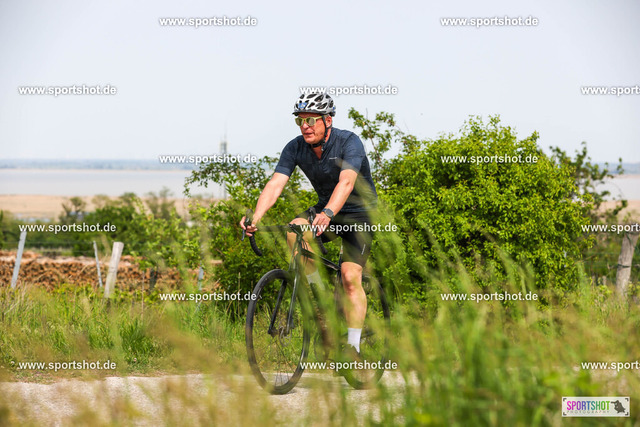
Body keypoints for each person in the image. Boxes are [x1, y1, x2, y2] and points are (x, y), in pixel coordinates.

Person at [240, 92, 377, 356]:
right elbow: (276, 183)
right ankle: (320, 297)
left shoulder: (349, 142)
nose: (305, 126)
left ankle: (353, 346)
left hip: (359, 214)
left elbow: (347, 182)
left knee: (350, 278)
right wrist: (256, 217)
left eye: (311, 120)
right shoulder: (295, 147)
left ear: (328, 121)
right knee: (295, 229)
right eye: (300, 120)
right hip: (327, 209)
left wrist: (328, 212)